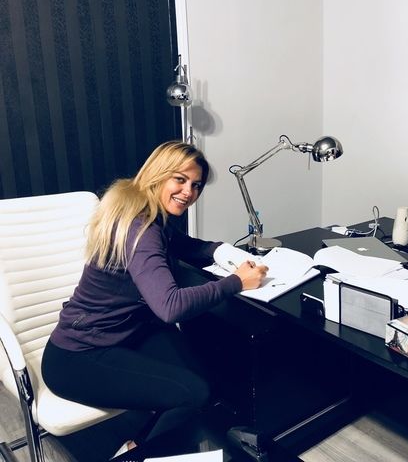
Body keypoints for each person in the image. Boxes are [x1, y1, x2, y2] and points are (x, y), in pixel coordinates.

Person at [41, 141, 268, 456]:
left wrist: (226, 252)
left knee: (200, 378)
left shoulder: (144, 211)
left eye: (196, 185)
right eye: (180, 179)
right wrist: (236, 282)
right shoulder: (142, 228)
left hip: (124, 333)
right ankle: (137, 454)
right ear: (158, 174)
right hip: (78, 357)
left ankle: (142, 443)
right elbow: (169, 307)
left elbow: (184, 245)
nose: (189, 192)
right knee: (193, 393)